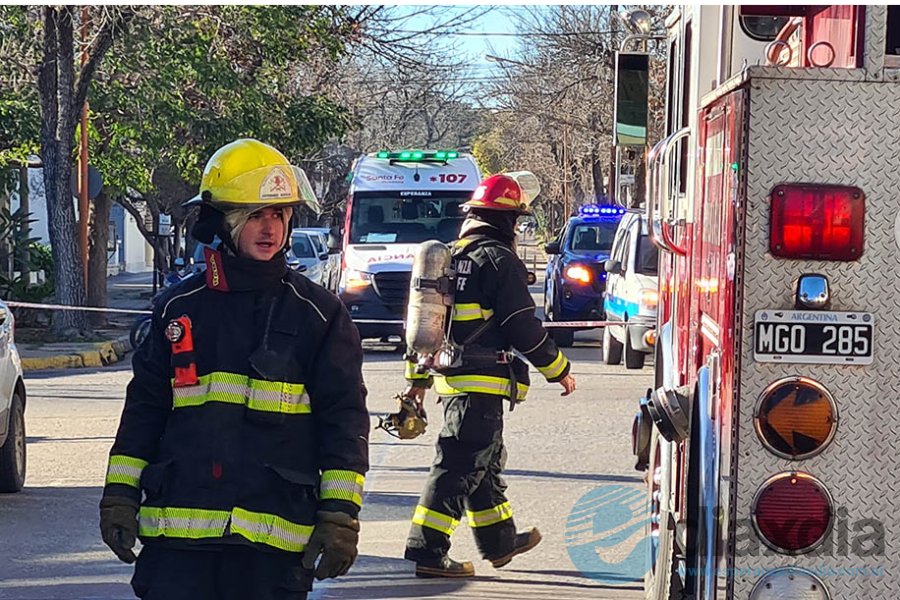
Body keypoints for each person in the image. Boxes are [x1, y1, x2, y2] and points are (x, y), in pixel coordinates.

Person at [99, 139, 369, 600]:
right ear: (222, 222)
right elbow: (145, 410)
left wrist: (339, 516)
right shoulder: (178, 309)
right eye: (256, 215)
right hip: (177, 544)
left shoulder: (318, 314)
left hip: (271, 548)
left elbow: (344, 420)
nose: (270, 228)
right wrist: (119, 497)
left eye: (280, 214)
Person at [402, 172, 577, 577]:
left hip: (451, 379)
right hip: (481, 382)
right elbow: (521, 324)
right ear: (506, 220)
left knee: (483, 463)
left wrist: (417, 383)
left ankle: (499, 542)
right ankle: (428, 551)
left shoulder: (451, 256)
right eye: (514, 220)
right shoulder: (498, 260)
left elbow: (422, 325)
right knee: (458, 466)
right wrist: (559, 370)